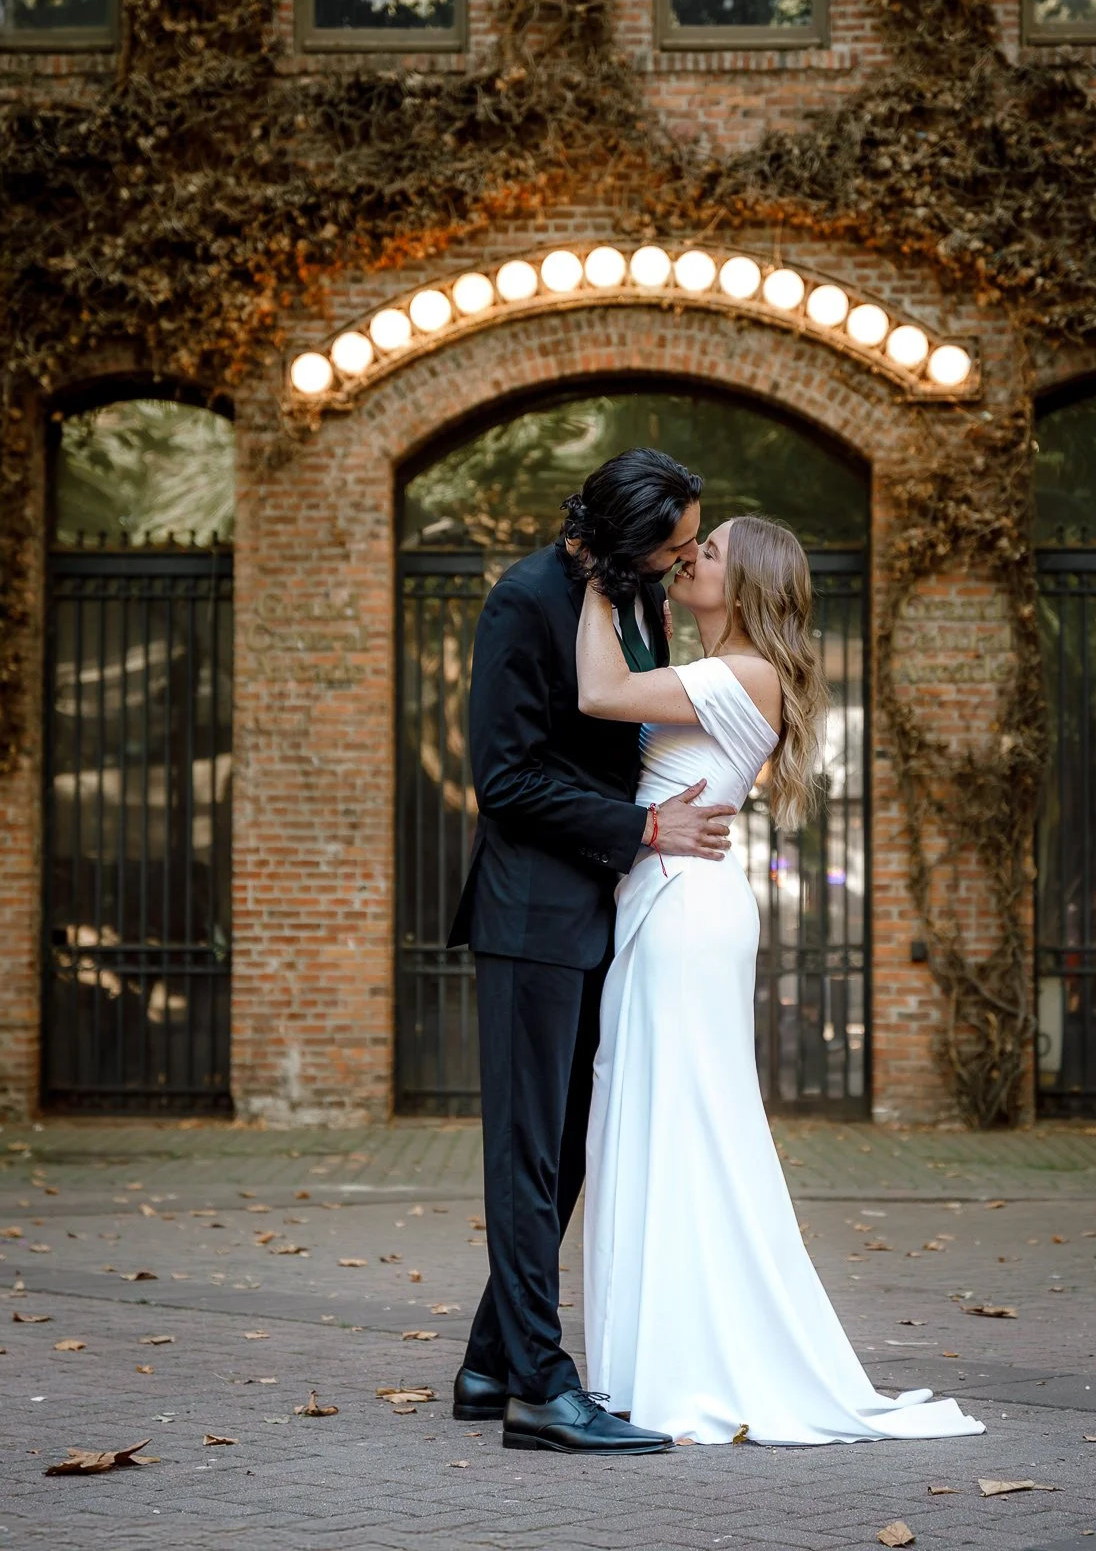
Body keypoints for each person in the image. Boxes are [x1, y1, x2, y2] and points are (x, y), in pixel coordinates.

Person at [578, 515, 988, 1447]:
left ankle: (685, 1361)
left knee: (684, 1126)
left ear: (748, 582)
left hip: (686, 911)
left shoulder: (748, 672)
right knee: (648, 1122)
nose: (690, 557)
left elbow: (599, 692)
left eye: (708, 551)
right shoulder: (709, 665)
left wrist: (599, 578)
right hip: (668, 899)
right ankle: (648, 1358)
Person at [446, 448, 736, 1455]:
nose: (686, 557)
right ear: (623, 540)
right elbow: (506, 778)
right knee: (529, 1152)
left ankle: (491, 1357)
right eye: (676, 543)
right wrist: (647, 830)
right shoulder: (522, 601)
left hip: (603, 914)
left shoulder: (633, 597)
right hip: (529, 913)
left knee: (568, 1148)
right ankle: (540, 1388)